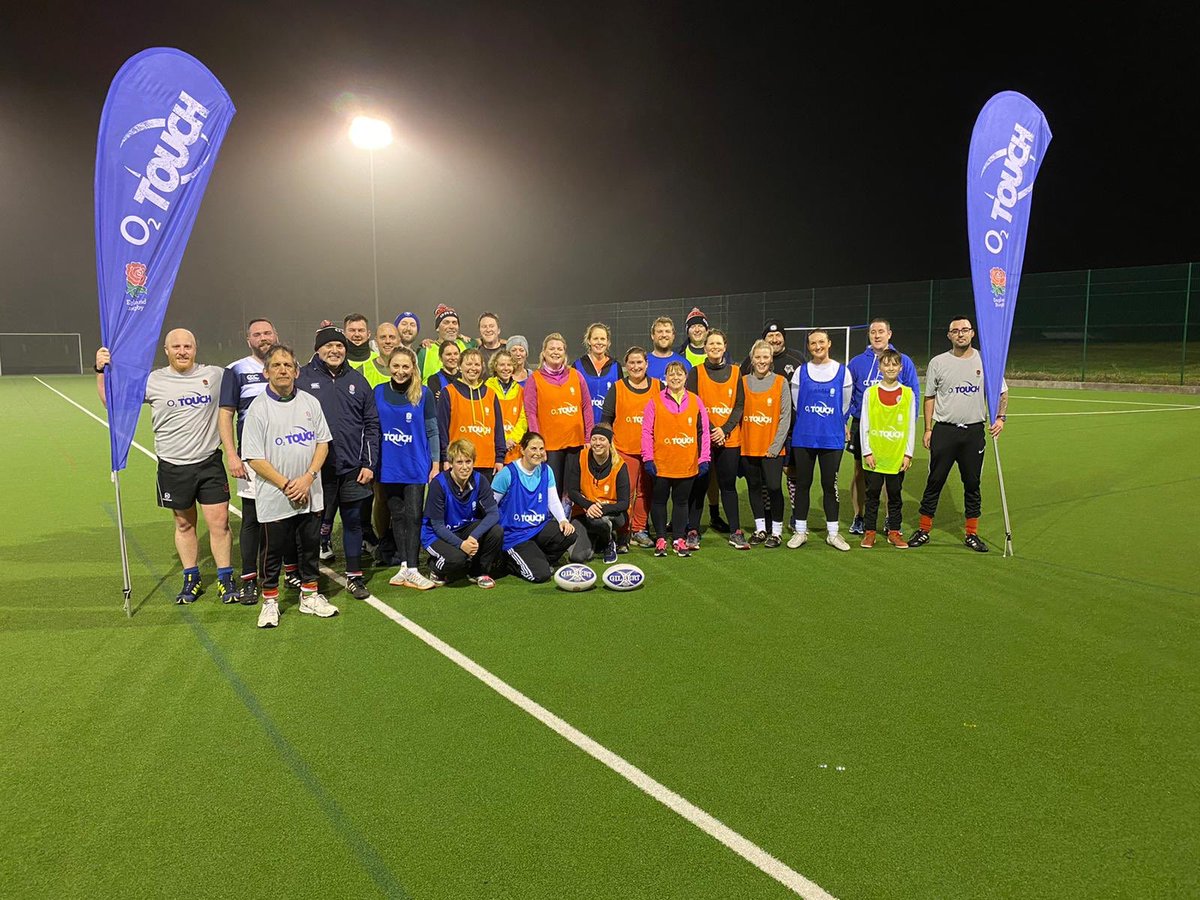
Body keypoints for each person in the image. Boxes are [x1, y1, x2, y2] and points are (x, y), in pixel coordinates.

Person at [95, 329, 233, 604]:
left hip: (209, 463)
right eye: (176, 346)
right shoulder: (153, 381)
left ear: (196, 349)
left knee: (220, 523)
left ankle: (225, 579)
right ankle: (191, 578)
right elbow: (113, 401)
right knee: (184, 524)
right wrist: (100, 370)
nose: (183, 351)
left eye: (188, 346)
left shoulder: (215, 375)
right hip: (173, 466)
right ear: (166, 351)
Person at [240, 343, 338, 628]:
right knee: (272, 551)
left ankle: (310, 595)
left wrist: (308, 477)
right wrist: (286, 484)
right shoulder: (258, 408)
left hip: (310, 490)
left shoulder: (310, 402)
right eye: (276, 365)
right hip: (276, 495)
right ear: (266, 372)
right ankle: (270, 601)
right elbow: (255, 457)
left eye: (288, 365)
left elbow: (322, 442)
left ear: (296, 371)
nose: (283, 370)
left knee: (309, 547)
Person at [909, 316, 1008, 552]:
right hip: (944, 431)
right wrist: (928, 428)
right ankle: (923, 530)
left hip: (973, 432)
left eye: (965, 330)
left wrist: (1001, 418)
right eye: (955, 331)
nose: (961, 334)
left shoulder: (986, 360)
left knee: (972, 483)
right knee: (935, 480)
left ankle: (972, 534)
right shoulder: (938, 362)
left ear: (973, 333)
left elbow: (1002, 393)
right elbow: (930, 396)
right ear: (949, 335)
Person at [297, 325, 380, 599]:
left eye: (340, 346)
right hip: (316, 471)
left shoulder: (358, 381)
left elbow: (371, 424)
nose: (335, 351)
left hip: (352, 468)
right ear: (318, 350)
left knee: (354, 521)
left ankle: (355, 576)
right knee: (311, 526)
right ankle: (308, 578)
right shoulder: (303, 379)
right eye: (329, 346)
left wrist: (369, 463)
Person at [218, 316, 278, 604]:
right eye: (257, 334)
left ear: (275, 335)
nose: (263, 338)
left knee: (282, 518)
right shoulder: (236, 370)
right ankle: (249, 579)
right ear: (249, 339)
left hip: (284, 457)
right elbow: (226, 414)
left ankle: (276, 574)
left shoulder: (288, 365)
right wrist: (232, 454)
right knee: (253, 519)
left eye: (267, 333)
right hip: (253, 459)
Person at [846, 318, 920, 535]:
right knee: (860, 471)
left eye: (881, 331)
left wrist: (909, 427)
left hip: (894, 429)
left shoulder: (903, 360)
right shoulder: (857, 362)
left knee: (892, 472)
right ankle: (859, 517)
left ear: (890, 334)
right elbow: (847, 394)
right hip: (864, 426)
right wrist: (845, 421)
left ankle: (889, 519)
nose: (877, 335)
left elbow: (913, 394)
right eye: (872, 332)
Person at [376, 347, 440, 589]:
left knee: (414, 515)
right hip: (388, 466)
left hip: (415, 465)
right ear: (388, 366)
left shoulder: (422, 393)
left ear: (413, 367)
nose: (401, 371)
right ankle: (404, 566)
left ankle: (413, 567)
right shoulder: (378, 392)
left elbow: (433, 431)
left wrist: (435, 464)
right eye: (396, 366)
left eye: (406, 366)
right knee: (398, 516)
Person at [788, 329, 853, 551]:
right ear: (808, 346)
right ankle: (800, 531)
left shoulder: (842, 372)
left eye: (821, 342)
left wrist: (831, 422)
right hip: (804, 437)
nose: (818, 346)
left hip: (831, 438)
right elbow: (797, 403)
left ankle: (833, 534)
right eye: (813, 343)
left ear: (829, 343)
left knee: (829, 485)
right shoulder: (800, 372)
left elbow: (844, 406)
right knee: (803, 484)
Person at [685, 329, 747, 549]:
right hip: (703, 438)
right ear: (705, 347)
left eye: (718, 343)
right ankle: (693, 530)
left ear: (725, 346)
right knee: (699, 485)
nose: (714, 347)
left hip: (729, 439)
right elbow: (692, 404)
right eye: (711, 344)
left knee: (727, 486)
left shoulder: (736, 371)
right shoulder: (695, 372)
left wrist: (725, 429)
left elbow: (739, 405)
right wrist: (712, 430)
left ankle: (735, 531)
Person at [641, 360, 711, 557]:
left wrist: (704, 457)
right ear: (665, 378)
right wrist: (648, 458)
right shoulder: (654, 401)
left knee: (681, 502)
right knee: (659, 501)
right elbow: (647, 432)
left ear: (686, 377)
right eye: (671, 374)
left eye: (679, 374)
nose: (675, 377)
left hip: (686, 463)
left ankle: (679, 539)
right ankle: (661, 539)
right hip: (661, 463)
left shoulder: (696, 401)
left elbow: (704, 432)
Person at [492, 432, 576, 583]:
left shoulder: (546, 470)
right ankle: (508, 562)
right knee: (541, 575)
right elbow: (490, 507)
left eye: (541, 449)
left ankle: (537, 558)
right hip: (515, 535)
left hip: (537, 528)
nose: (538, 453)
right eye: (533, 448)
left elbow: (553, 501)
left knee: (569, 534)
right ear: (522, 450)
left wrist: (563, 520)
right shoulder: (507, 473)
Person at [421, 439, 503, 588]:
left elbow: (493, 514)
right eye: (459, 462)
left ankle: (478, 572)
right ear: (451, 463)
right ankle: (435, 568)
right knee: (457, 559)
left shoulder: (480, 480)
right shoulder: (438, 484)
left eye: (468, 461)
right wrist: (461, 545)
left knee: (496, 530)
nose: (465, 467)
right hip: (435, 534)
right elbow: (437, 526)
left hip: (464, 529)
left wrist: (472, 537)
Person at [523, 333, 593, 497]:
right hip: (551, 446)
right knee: (552, 490)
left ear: (565, 353)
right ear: (544, 353)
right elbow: (531, 414)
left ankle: (569, 520)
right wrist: (537, 446)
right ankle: (552, 522)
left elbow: (587, 408)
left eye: (559, 349)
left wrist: (588, 437)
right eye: (552, 348)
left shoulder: (576, 376)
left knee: (573, 491)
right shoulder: (535, 379)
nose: (556, 352)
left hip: (575, 444)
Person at [859, 349, 916, 549]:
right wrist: (867, 451)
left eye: (894, 364)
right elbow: (864, 423)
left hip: (897, 455)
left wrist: (908, 453)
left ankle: (894, 532)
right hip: (875, 455)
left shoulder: (908, 394)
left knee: (895, 495)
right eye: (886, 364)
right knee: (872, 495)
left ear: (900, 367)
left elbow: (910, 426)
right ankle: (869, 532)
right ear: (880, 367)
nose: (890, 368)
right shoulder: (870, 392)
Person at [601, 346, 655, 550]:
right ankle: (623, 533)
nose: (635, 366)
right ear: (626, 366)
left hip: (649, 451)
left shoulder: (658, 387)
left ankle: (639, 530)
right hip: (624, 449)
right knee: (626, 493)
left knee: (645, 492)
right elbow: (606, 419)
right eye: (631, 363)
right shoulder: (617, 387)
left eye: (639, 362)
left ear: (646, 364)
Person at [740, 339, 792, 548]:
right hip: (748, 446)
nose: (762, 361)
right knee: (754, 487)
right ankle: (761, 529)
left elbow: (785, 416)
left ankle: (776, 531)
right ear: (752, 359)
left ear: (771, 359)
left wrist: (775, 446)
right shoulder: (742, 382)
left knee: (773, 487)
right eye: (758, 357)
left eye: (766, 357)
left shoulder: (781, 382)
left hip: (772, 449)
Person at [438, 347, 505, 482]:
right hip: (459, 462)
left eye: (477, 364)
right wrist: (445, 458)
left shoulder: (491, 394)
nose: (473, 368)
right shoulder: (449, 392)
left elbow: (498, 429)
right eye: (468, 364)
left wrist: (499, 459)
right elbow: (442, 429)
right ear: (460, 366)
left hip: (487, 463)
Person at [565, 424, 630, 564]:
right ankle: (599, 539)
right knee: (576, 557)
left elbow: (624, 503)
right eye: (594, 439)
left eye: (602, 439)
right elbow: (572, 491)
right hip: (584, 513)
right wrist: (589, 506)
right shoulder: (580, 457)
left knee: (598, 520)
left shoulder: (619, 465)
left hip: (612, 514)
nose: (597, 443)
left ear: (609, 442)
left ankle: (608, 542)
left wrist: (600, 509)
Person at [485, 349, 527, 464]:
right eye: (502, 365)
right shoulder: (486, 388)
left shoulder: (520, 391)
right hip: (492, 448)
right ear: (495, 366)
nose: (506, 368)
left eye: (509, 365)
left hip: (514, 449)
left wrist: (513, 438)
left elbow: (524, 419)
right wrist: (501, 440)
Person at [573, 322, 622, 422]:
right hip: (584, 427)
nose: (599, 342)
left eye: (603, 339)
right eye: (595, 338)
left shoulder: (615, 366)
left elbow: (621, 399)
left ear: (608, 342)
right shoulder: (578, 366)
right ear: (589, 341)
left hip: (608, 428)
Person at [417, 304, 475, 380]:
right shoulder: (425, 351)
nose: (451, 326)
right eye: (446, 322)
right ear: (437, 328)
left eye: (454, 323)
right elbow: (415, 381)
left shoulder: (467, 346)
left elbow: (484, 340)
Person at [645, 316, 689, 382]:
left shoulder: (684, 363)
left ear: (673, 336)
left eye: (667, 331)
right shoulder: (644, 363)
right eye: (660, 331)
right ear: (652, 335)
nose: (664, 335)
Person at [360, 321, 402, 389]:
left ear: (399, 341)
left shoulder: (409, 370)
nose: (388, 341)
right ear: (376, 342)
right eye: (383, 337)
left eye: (392, 337)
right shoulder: (362, 371)